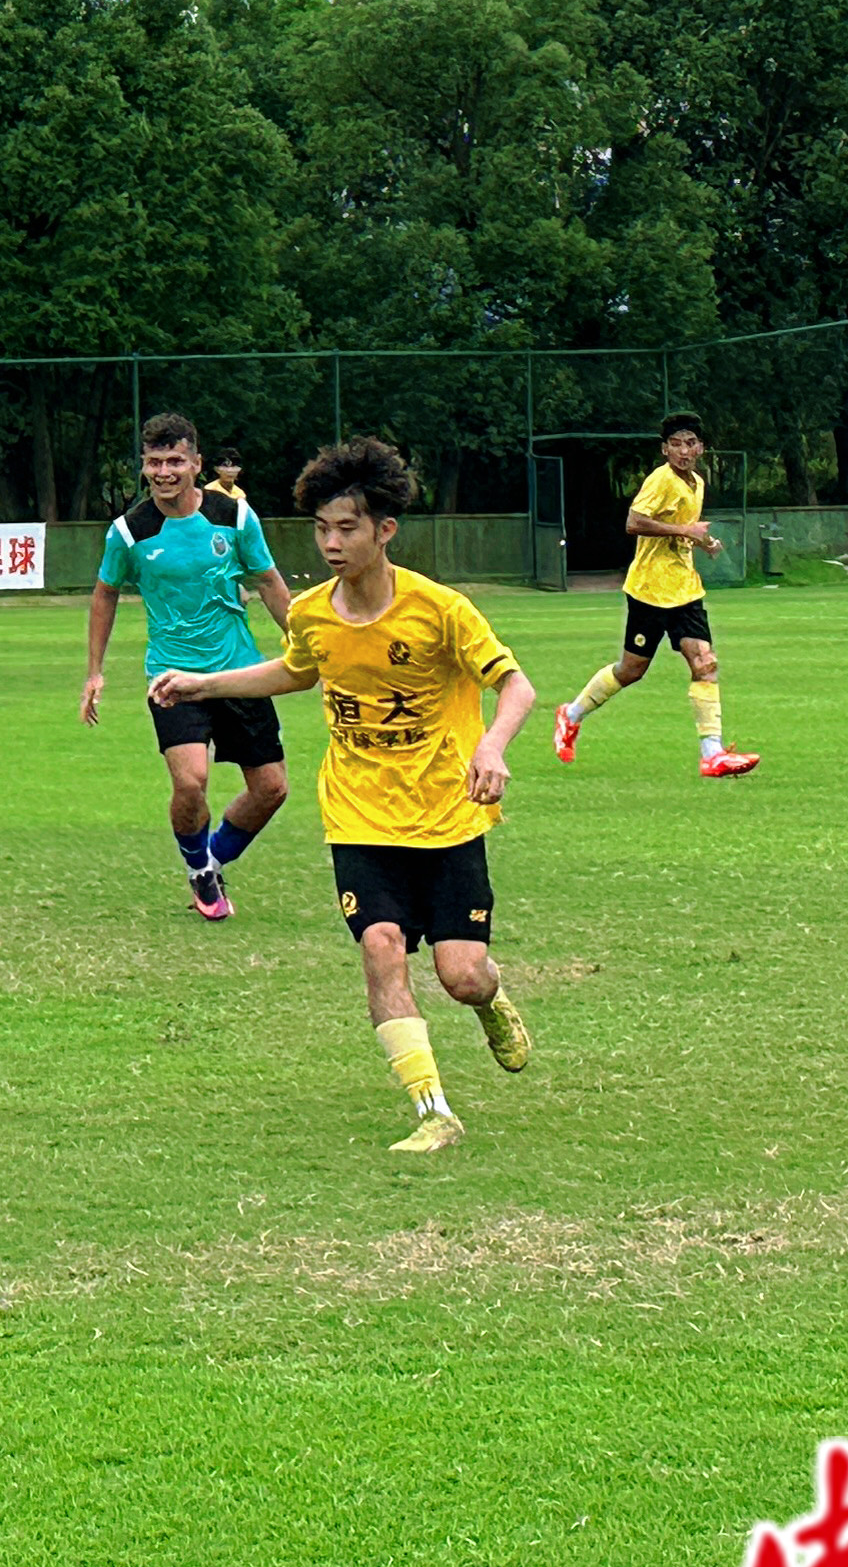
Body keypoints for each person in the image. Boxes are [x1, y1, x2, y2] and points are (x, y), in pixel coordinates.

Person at [154, 437, 538, 1157]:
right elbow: (297, 671)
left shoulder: (441, 610)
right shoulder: (311, 612)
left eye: (347, 528)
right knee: (382, 948)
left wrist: (492, 748)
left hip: (446, 816)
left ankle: (492, 999)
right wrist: (201, 683)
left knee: (460, 974)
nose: (331, 543)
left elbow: (516, 685)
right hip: (359, 815)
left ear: (383, 530)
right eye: (322, 529)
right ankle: (433, 1110)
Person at [83, 413, 292, 920]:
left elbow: (267, 582)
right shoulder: (129, 532)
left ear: (197, 464)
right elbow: (105, 594)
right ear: (143, 467)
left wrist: (305, 642)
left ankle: (212, 858)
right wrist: (95, 671)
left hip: (239, 672)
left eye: (175, 461)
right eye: (154, 462)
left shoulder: (235, 518)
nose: (164, 472)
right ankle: (199, 870)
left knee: (271, 788)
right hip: (173, 676)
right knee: (191, 781)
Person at [548, 415, 761, 779]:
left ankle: (712, 754)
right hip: (649, 592)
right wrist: (686, 530)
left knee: (704, 662)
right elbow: (634, 522)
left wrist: (705, 541)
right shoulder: (659, 480)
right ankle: (571, 715)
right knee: (631, 670)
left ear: (701, 448)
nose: (683, 450)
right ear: (664, 449)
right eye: (675, 444)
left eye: (690, 442)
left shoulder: (696, 483)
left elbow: (687, 529)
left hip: (685, 590)